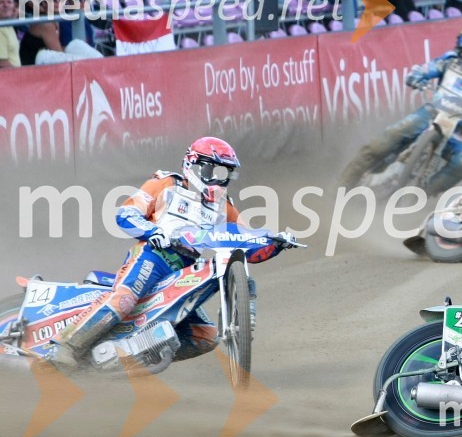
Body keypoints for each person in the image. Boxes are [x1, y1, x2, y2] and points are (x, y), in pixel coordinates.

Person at [47, 137, 297, 368]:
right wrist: (150, 230)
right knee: (124, 298)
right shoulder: (166, 183)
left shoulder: (224, 205)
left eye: (225, 174)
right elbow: (126, 213)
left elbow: (246, 243)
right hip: (153, 256)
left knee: (205, 337)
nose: (219, 180)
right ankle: (65, 347)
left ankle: (127, 356)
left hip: (186, 270)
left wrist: (275, 243)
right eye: (214, 171)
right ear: (195, 166)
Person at [340, 24, 462, 196]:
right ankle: (340, 187)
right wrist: (416, 77)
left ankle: (422, 194)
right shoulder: (449, 60)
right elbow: (426, 69)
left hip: (454, 128)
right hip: (429, 113)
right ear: (459, 49)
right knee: (385, 139)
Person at [19, 0, 104, 65]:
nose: (58, 2)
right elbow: (59, 53)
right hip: (32, 65)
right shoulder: (45, 23)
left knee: (77, 45)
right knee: (81, 62)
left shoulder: (58, 20)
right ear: (44, 3)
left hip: (46, 61)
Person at [0, 0, 21, 68]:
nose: (6, 5)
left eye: (9, 2)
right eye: (1, 2)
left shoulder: (7, 25)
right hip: (10, 77)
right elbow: (2, 63)